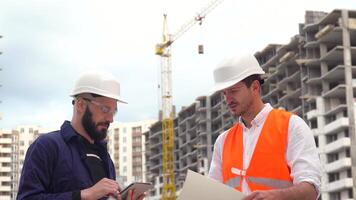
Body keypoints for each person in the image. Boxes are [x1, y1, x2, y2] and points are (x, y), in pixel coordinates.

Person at [208, 54, 322, 200]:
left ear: (255, 87)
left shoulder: (291, 126)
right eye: (225, 93)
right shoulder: (223, 142)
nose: (228, 99)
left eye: (234, 91)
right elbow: (213, 194)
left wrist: (278, 196)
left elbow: (311, 189)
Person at [17, 71, 144, 200]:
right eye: (105, 109)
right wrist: (84, 195)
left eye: (113, 112)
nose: (110, 119)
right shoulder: (47, 146)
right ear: (81, 105)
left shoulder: (105, 157)